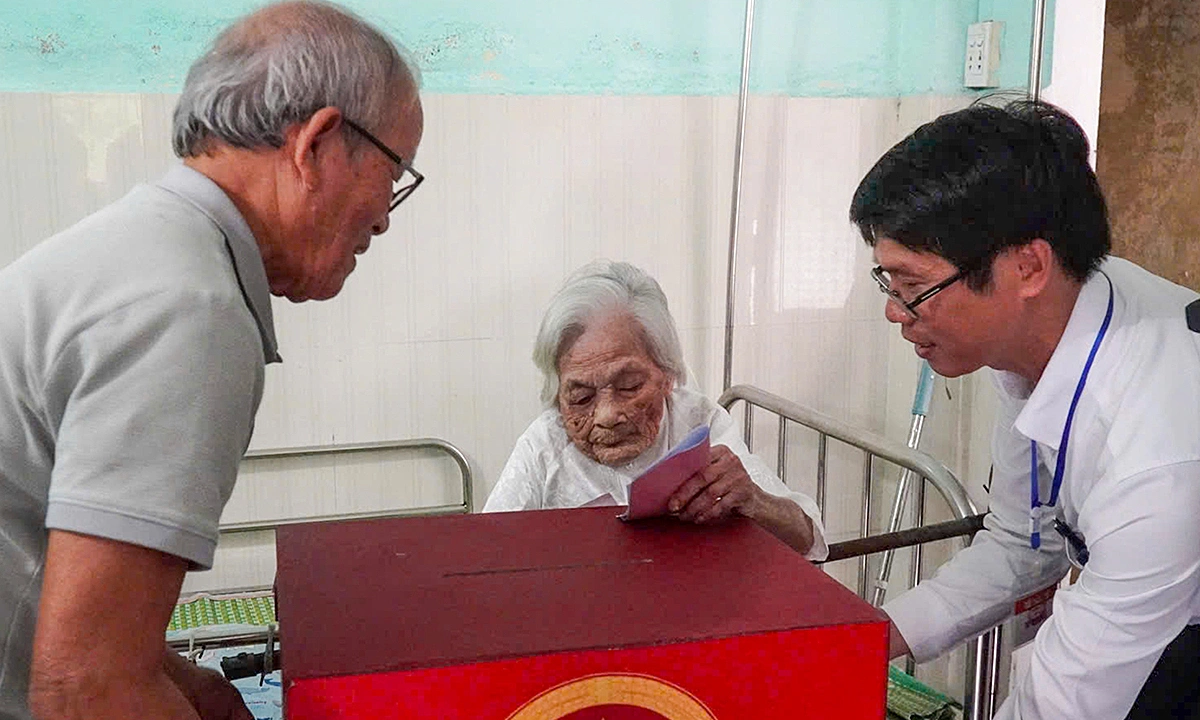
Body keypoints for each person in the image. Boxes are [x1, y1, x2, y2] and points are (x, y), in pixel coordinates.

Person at [0, 2, 424, 718]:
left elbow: (60, 592)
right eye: (395, 172)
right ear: (317, 143)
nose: (385, 215)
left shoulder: (143, 251)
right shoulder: (191, 309)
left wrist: (183, 681)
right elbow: (84, 690)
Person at [849, 99, 1200, 719]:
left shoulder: (1156, 456)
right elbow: (1024, 540)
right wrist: (856, 643)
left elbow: (1069, 703)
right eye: (890, 284)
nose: (895, 312)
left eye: (913, 287)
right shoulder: (1044, 325)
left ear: (1027, 267)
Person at [483, 260, 827, 560]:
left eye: (629, 386)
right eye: (582, 397)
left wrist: (753, 499)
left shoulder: (699, 425)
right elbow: (485, 554)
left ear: (668, 375)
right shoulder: (545, 444)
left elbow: (808, 541)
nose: (606, 415)